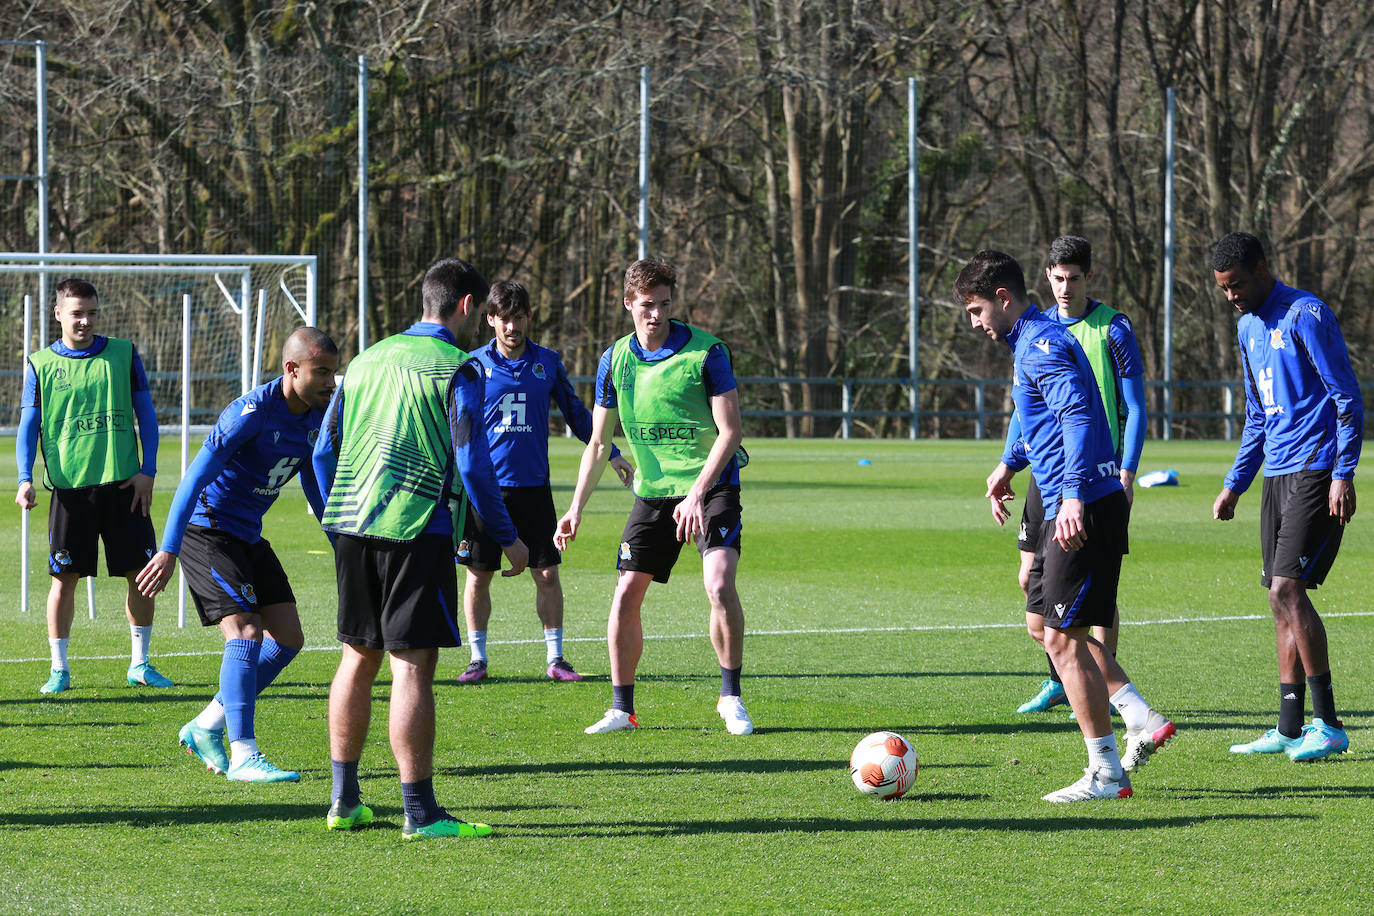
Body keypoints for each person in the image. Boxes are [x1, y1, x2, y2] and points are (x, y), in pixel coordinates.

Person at [313, 257, 529, 839]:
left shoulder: (364, 359)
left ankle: (343, 801)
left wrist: (337, 513)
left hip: (352, 523)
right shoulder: (458, 368)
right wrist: (508, 537)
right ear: (464, 307)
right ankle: (420, 813)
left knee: (357, 656)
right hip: (416, 529)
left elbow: (321, 453)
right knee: (413, 665)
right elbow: (472, 462)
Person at [957, 249, 1174, 801]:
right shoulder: (1034, 340)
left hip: (1080, 505)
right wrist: (1008, 466)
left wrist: (1072, 496)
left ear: (1003, 298)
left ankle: (1106, 771)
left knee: (1062, 637)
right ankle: (1136, 717)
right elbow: (1044, 420)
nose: (975, 323)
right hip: (1061, 499)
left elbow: (1080, 415)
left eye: (977, 309)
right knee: (1045, 628)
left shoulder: (1041, 345)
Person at [555, 258, 753, 737]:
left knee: (719, 583)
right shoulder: (614, 360)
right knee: (625, 593)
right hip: (655, 494)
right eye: (647, 305)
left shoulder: (708, 353)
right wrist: (575, 508)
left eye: (664, 304)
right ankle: (622, 709)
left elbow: (730, 432)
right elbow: (599, 444)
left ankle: (731, 698)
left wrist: (697, 494)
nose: (656, 315)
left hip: (712, 484)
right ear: (628, 303)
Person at [134, 328, 339, 783]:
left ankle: (206, 726)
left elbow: (314, 483)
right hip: (205, 531)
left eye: (333, 371)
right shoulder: (249, 413)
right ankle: (243, 753)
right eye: (322, 371)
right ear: (292, 369)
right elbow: (190, 481)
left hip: (247, 535)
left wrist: (339, 540)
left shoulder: (317, 414)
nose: (331, 381)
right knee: (245, 632)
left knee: (287, 638)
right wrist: (167, 550)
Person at [1211, 231, 1362, 762]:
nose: (1232, 296)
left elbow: (1345, 395)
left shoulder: (1306, 314)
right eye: (1224, 289)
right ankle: (1289, 726)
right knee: (1277, 599)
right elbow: (1257, 414)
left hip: (1317, 467)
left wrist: (1344, 473)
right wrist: (1236, 483)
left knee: (1287, 590)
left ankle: (1330, 724)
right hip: (1276, 472)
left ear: (1261, 268)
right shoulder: (1246, 326)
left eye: (1238, 285)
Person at [984, 236, 1147, 714]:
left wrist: (1128, 471)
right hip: (1047, 475)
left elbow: (1131, 407)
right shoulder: (1036, 330)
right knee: (1035, 591)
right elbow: (1028, 410)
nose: (1064, 287)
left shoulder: (1111, 328)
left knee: (1087, 603)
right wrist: (1008, 461)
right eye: (1057, 278)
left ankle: (1104, 687)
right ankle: (1080, 679)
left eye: (1073, 278)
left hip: (1090, 476)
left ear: (1088, 278)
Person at [456, 280, 634, 684]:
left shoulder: (548, 362)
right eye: (504, 319)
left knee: (548, 573)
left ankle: (556, 658)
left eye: (519, 318)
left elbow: (576, 413)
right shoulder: (471, 365)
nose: (512, 327)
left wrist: (614, 454)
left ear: (529, 318)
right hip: (485, 488)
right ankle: (477, 659)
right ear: (490, 320)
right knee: (478, 575)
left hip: (533, 487)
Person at [15, 278, 173, 694]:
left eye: (91, 313)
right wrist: (25, 478)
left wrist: (148, 470)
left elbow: (148, 417)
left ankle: (140, 663)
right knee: (63, 579)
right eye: (76, 313)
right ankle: (59, 669)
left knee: (141, 574)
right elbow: (29, 427)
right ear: (58, 315)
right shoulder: (40, 363)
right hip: (70, 490)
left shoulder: (123, 353)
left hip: (124, 486)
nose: (85, 321)